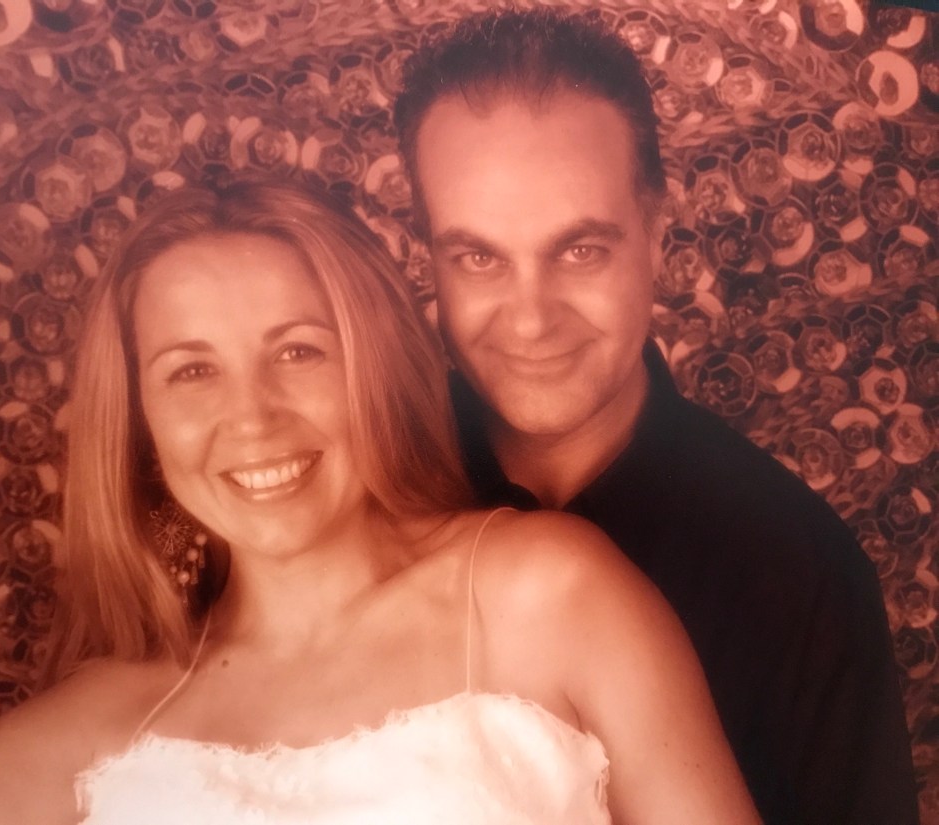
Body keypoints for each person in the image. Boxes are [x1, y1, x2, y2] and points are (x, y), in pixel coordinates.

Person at [0, 181, 760, 824]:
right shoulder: (101, 722)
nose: (252, 416)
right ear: (141, 422)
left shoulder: (547, 591)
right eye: (192, 371)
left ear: (371, 367)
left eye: (298, 352)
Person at [393, 8, 918, 824]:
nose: (530, 319)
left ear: (657, 235)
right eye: (479, 257)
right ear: (431, 257)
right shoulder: (368, 488)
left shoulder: (799, 573)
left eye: (580, 250)